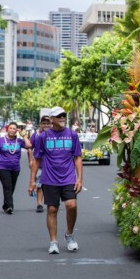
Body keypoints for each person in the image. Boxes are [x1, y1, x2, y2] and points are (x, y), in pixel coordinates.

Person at [28, 106, 83, 254]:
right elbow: (37, 160)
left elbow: (77, 158)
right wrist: (32, 181)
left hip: (68, 178)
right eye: (59, 116)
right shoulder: (43, 137)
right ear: (51, 119)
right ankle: (53, 242)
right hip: (49, 178)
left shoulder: (72, 135)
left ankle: (69, 235)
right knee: (52, 209)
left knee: (71, 205)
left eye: (64, 115)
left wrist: (79, 179)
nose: (62, 118)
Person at [0, 122, 32, 214]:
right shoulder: (0, 141)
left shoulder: (19, 141)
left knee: (11, 187)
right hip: (2, 167)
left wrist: (23, 135)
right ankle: (10, 206)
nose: (12, 130)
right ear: (7, 129)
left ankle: (5, 204)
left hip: (15, 168)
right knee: (7, 186)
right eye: (10, 128)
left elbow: (29, 145)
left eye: (14, 129)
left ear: (17, 130)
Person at [30, 109, 52, 213]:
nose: (46, 125)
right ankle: (39, 204)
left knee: (51, 185)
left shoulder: (55, 134)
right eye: (44, 123)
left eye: (48, 123)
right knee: (39, 185)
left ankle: (51, 202)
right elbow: (30, 146)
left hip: (52, 165)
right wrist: (30, 160)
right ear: (41, 124)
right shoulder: (37, 135)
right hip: (40, 164)